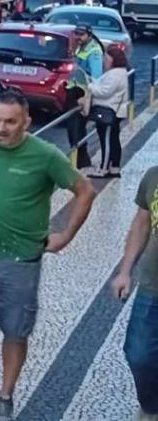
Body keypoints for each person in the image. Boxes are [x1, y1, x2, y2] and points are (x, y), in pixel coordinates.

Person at [0, 89, 96, 421]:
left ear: (26, 122)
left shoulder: (46, 155)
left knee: (15, 332)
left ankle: (5, 397)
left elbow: (84, 191)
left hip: (20, 262)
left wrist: (65, 236)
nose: (1, 128)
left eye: (10, 122)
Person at [110, 163, 158, 421]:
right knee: (138, 355)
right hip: (152, 286)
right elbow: (141, 224)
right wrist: (125, 271)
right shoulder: (153, 176)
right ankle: (151, 406)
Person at [87, 43, 129, 178]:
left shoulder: (114, 74)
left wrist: (89, 86)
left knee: (107, 141)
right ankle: (114, 168)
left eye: (106, 58)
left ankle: (103, 169)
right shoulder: (120, 72)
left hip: (109, 111)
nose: (104, 61)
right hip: (115, 111)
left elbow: (104, 91)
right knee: (113, 140)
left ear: (113, 59)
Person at [67, 24, 104, 172]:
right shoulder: (81, 47)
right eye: (77, 33)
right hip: (74, 91)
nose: (78, 37)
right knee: (74, 129)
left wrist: (86, 98)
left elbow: (96, 78)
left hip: (82, 95)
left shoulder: (94, 52)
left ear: (89, 35)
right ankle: (80, 160)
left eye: (81, 34)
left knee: (76, 129)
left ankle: (80, 161)